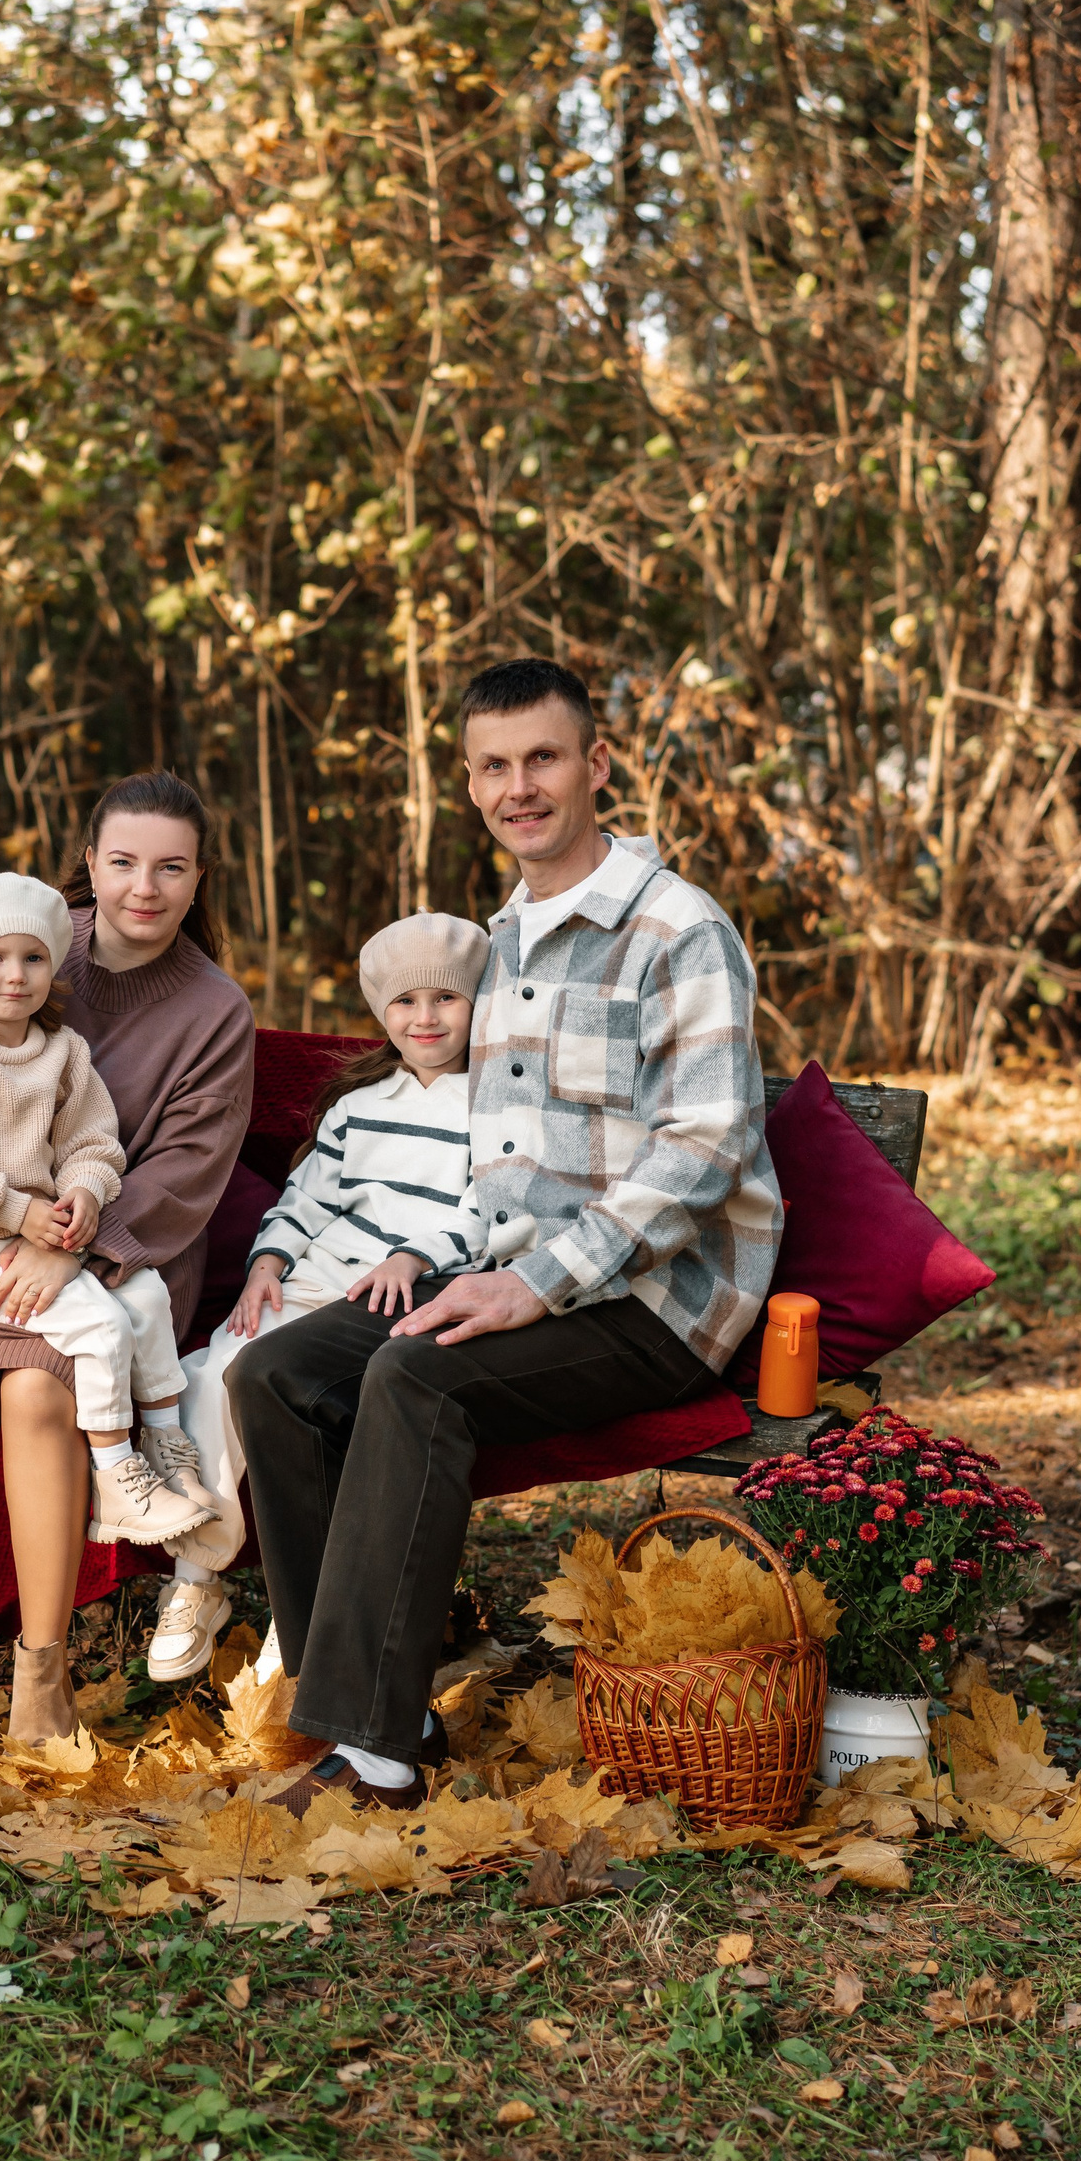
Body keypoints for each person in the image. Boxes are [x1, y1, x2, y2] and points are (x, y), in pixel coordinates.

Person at [230, 655, 784, 1815]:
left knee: (413, 1376)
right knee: (276, 1372)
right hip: (513, 1274)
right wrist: (443, 1261)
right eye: (493, 766)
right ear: (471, 783)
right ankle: (381, 1701)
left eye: (542, 757)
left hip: (659, 1299)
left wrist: (534, 1281)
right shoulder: (504, 941)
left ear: (597, 764)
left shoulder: (676, 929)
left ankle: (376, 1757)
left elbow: (708, 1142)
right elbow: (499, 1158)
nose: (518, 786)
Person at [0, 773, 254, 1743]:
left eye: (170, 867)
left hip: (119, 1257)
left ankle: (43, 1676)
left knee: (36, 1396)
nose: (144, 887)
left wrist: (75, 1250)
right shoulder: (28, 936)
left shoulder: (214, 1008)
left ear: (200, 878)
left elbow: (184, 1171)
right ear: (91, 864)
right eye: (123, 862)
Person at [152, 911, 492, 1683]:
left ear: (478, 1005)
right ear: (382, 1012)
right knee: (213, 1373)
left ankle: (305, 1607)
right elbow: (305, 1199)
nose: (426, 1017)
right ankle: (196, 1579)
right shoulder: (360, 1103)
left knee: (305, 1395)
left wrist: (414, 1255)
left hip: (406, 1289)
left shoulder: (497, 1106)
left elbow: (492, 1210)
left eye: (446, 998)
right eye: (406, 1001)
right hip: (314, 1275)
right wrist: (268, 1263)